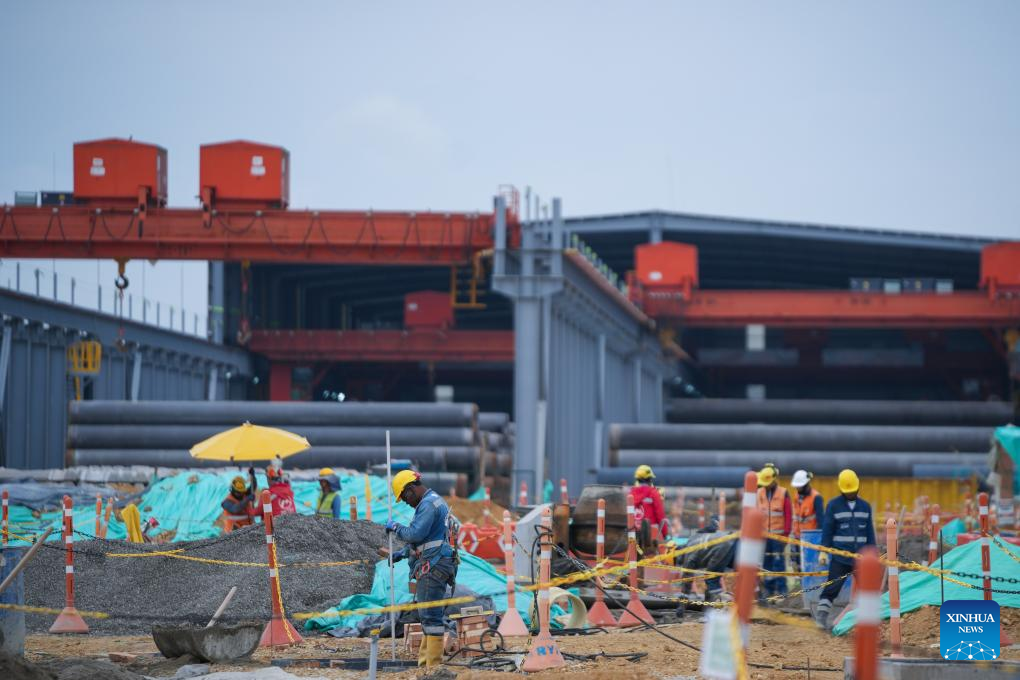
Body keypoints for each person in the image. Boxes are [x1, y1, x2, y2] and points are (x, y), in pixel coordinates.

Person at [384, 469, 459, 669]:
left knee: (431, 616)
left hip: (434, 566)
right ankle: (425, 663)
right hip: (437, 563)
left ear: (410, 489)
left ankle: (432, 666)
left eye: (405, 497)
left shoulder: (427, 505)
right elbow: (427, 539)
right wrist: (402, 553)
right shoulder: (433, 501)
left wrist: (396, 527)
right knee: (428, 615)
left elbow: (415, 534)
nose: (406, 502)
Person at [815, 469, 876, 631]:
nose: (850, 494)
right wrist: (823, 551)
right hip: (840, 558)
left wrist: (873, 554)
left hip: (861, 559)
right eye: (847, 492)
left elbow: (870, 533)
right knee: (831, 588)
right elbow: (827, 530)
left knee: (868, 590)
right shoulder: (833, 506)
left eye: (853, 491)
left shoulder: (865, 507)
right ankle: (821, 617)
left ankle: (871, 621)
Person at [756, 465, 791, 599]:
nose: (766, 486)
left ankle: (782, 590)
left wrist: (786, 534)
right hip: (764, 536)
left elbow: (788, 515)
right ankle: (769, 590)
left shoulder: (783, 493)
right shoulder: (760, 493)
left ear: (774, 480)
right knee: (766, 563)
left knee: (778, 563)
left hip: (778, 536)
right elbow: (757, 514)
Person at [790, 469, 824, 569]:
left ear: (806, 484)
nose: (797, 488)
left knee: (809, 566)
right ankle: (798, 578)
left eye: (799, 486)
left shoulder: (816, 498)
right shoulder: (796, 496)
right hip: (797, 537)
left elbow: (821, 521)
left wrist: (818, 540)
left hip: (810, 539)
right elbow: (796, 517)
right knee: (797, 565)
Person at [632, 464, 670, 539]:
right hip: (652, 536)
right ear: (649, 479)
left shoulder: (631, 494)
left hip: (633, 535)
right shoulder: (653, 493)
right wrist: (664, 533)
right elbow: (660, 515)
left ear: (637, 479)